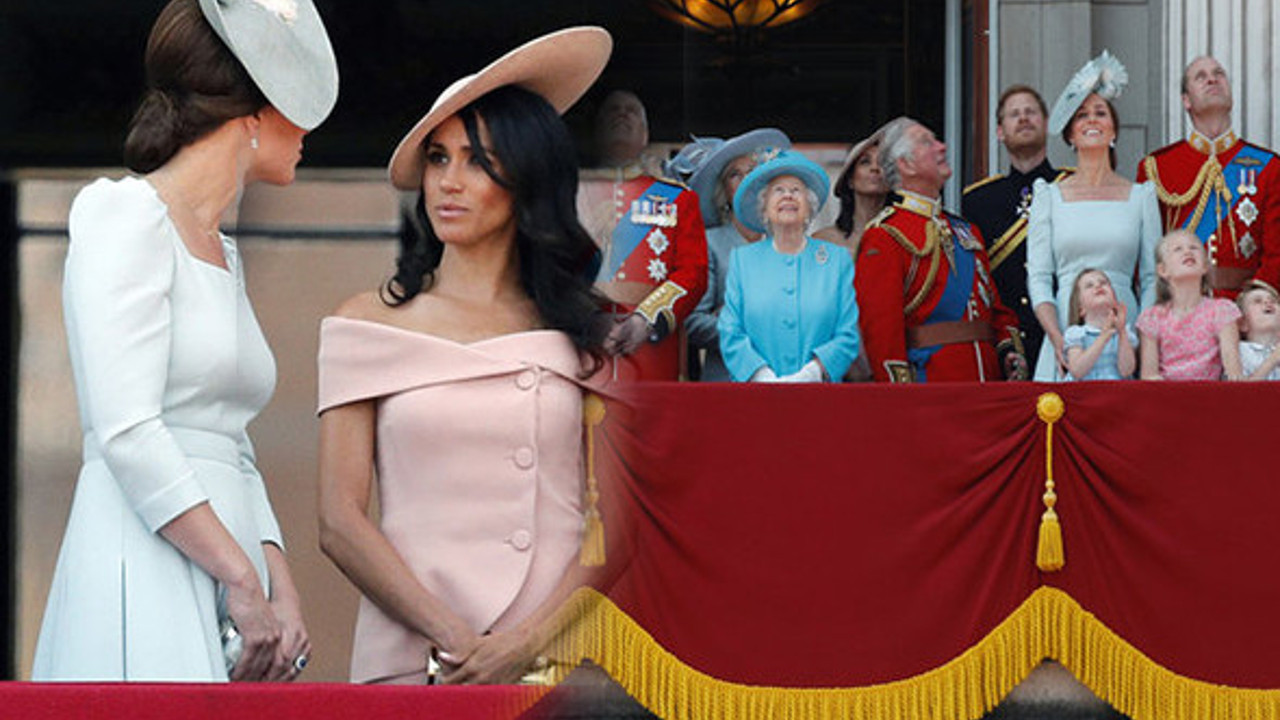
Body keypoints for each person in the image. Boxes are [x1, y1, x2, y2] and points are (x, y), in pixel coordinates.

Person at [32, 0, 338, 682]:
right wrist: (239, 576)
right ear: (253, 116)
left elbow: (233, 441)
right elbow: (127, 428)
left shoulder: (222, 250)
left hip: (229, 571)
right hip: (145, 552)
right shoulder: (125, 214)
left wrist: (277, 582)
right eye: (295, 101)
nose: (310, 131)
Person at [317, 27, 613, 685]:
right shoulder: (364, 323)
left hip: (556, 661)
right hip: (415, 660)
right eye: (438, 158)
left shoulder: (585, 334)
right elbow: (338, 521)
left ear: (527, 179)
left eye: (478, 161)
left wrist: (524, 645)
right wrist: (454, 641)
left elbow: (617, 528)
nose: (449, 182)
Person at [856, 117, 1026, 383]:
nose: (942, 147)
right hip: (933, 386)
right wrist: (901, 394)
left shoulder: (965, 230)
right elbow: (882, 333)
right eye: (927, 142)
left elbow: (993, 306)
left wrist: (1008, 349)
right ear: (906, 164)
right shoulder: (884, 236)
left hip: (988, 382)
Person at [1028, 51, 1160, 381]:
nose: (1091, 120)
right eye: (1081, 115)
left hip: (1124, 331)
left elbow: (1151, 279)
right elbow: (1040, 277)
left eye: (1100, 113)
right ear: (1071, 135)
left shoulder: (1142, 195)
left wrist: (1137, 336)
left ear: (1113, 131)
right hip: (1065, 328)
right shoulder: (1048, 196)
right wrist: (1057, 337)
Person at [578, 89, 708, 380]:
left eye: (632, 111)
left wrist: (645, 319)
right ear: (596, 130)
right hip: (584, 344)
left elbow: (693, 272)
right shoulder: (572, 193)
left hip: (652, 347)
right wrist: (588, 319)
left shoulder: (677, 198)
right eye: (613, 110)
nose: (622, 114)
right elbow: (552, 268)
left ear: (646, 135)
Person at [1137, 56, 1280, 297]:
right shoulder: (1157, 168)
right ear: (1186, 100)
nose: (1212, 79)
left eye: (1219, 74)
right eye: (1200, 77)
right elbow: (1146, 257)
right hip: (1179, 306)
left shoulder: (1269, 167)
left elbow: (1277, 254)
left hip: (1244, 306)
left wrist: (1253, 304)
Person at [717, 150, 860, 382]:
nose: (788, 196)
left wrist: (811, 373)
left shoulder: (837, 261)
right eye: (778, 191)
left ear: (809, 207)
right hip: (756, 393)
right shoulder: (743, 260)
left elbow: (848, 334)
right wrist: (761, 375)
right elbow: (730, 331)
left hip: (818, 392)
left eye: (796, 190)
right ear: (764, 208)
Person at [963, 85, 1069, 370]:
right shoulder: (977, 200)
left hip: (1063, 332)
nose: (1023, 118)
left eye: (1030, 112)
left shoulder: (1070, 187)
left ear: (1045, 124)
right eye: (1014, 114)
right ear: (1000, 132)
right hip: (1006, 342)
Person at [672, 128, 790, 381]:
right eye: (735, 175)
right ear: (723, 191)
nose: (746, 180)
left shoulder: (788, 244)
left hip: (784, 378)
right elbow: (693, 323)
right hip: (726, 380)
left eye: (752, 171)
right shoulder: (710, 242)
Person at [1137, 229, 1243, 380]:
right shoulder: (1152, 318)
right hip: (1166, 392)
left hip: (1210, 392)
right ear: (1163, 270)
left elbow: (1234, 373)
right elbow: (1149, 376)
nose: (1188, 252)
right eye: (1178, 249)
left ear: (1205, 266)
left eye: (1194, 247)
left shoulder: (1221, 311)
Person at [813, 126, 889, 257]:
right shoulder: (822, 242)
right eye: (865, 162)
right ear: (850, 180)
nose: (875, 168)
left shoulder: (904, 241)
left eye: (882, 162)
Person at [1062, 268, 1138, 380]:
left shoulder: (1123, 333)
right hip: (1085, 389)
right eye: (1089, 286)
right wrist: (1104, 336)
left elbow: (1126, 371)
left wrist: (1122, 332)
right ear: (1080, 309)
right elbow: (1077, 371)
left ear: (1114, 301)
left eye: (1103, 283)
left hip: (1116, 388)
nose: (1098, 286)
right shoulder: (1076, 333)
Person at [1235, 280, 1280, 380]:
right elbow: (1239, 388)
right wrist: (1273, 360)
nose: (1268, 302)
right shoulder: (1239, 352)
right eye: (1257, 301)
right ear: (1243, 323)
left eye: (1274, 301)